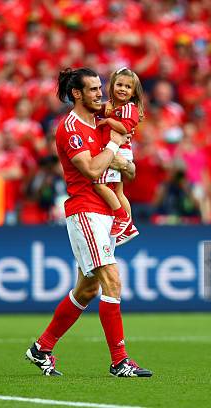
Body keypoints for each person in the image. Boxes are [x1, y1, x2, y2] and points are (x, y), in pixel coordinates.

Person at [26, 67, 152, 377]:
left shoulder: (101, 121)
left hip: (105, 212)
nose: (101, 93)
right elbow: (93, 171)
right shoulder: (70, 128)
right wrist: (113, 148)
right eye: (94, 89)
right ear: (77, 94)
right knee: (112, 279)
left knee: (86, 290)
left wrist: (121, 158)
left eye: (100, 87)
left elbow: (130, 171)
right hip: (86, 211)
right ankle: (119, 361)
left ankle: (41, 348)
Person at [94, 67, 143, 244]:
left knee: (99, 184)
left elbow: (125, 129)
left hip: (118, 152)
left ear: (133, 92)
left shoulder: (129, 108)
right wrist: (104, 110)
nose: (122, 89)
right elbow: (94, 110)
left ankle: (124, 221)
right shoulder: (113, 106)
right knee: (118, 191)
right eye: (119, 85)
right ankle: (127, 225)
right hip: (113, 150)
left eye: (127, 87)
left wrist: (107, 120)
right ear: (111, 86)